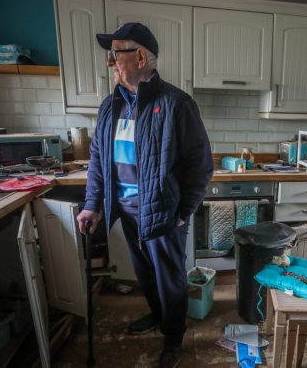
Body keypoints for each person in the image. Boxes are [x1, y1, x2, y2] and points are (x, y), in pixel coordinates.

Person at [76, 22, 213, 368]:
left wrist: (184, 212)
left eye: (115, 54)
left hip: (163, 211)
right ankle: (158, 316)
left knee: (169, 278)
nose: (110, 62)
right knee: (145, 274)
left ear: (139, 56)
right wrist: (93, 204)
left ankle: (173, 336)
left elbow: (201, 165)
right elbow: (98, 159)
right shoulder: (110, 106)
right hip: (125, 209)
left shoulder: (176, 104)